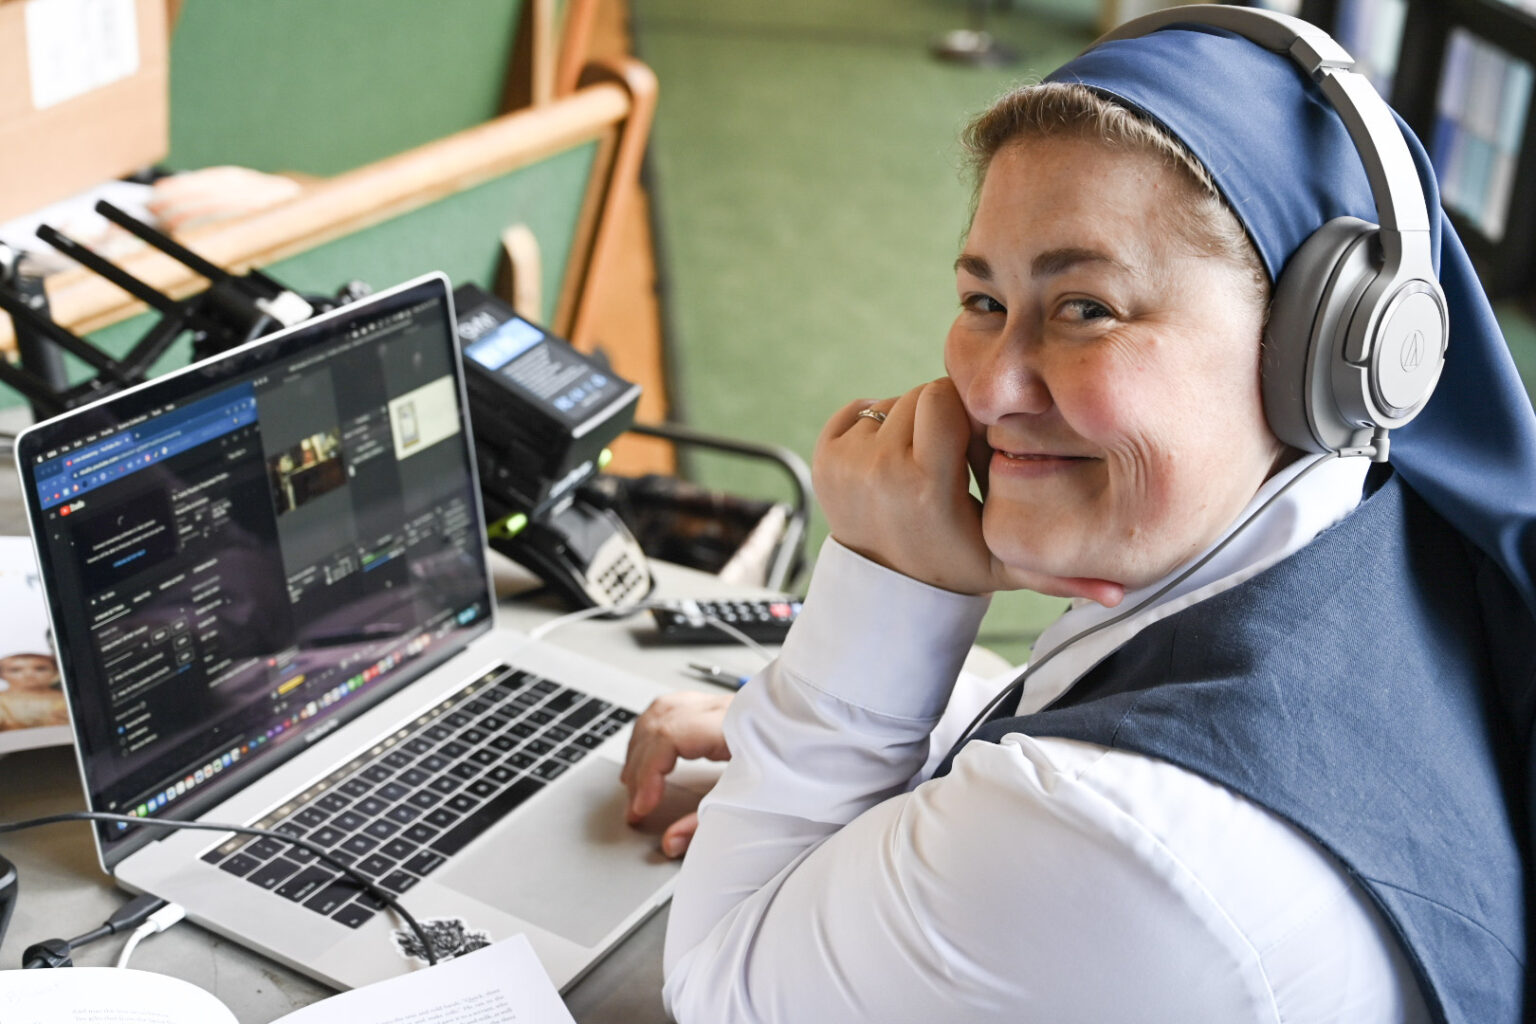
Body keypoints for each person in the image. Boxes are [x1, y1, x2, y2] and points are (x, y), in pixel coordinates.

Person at [621, 11, 1535, 1024]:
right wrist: (860, 766)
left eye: (1085, 308)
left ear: (1317, 349)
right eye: (982, 301)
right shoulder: (1384, 532)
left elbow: (716, 982)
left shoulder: (1114, 844)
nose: (993, 386)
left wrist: (878, 616)